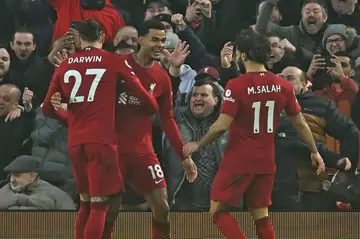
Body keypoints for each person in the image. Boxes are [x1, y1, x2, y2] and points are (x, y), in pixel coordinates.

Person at [183, 29, 326, 239]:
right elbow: (300, 122)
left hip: (238, 160)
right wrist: (315, 151)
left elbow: (221, 125)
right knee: (261, 216)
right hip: (266, 160)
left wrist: (198, 143)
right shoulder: (282, 85)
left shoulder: (236, 85)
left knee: (218, 211)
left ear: (242, 55)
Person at [42, 19, 158, 239]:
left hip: (76, 143)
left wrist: (66, 115)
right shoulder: (112, 61)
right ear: (103, 37)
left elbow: (48, 108)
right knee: (99, 206)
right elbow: (151, 104)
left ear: (78, 38)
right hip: (101, 142)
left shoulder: (65, 64)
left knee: (85, 204)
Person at [113, 19, 198, 239]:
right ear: (139, 40)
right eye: (155, 39)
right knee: (107, 210)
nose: (160, 44)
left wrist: (184, 155)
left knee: (162, 206)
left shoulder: (162, 77)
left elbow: (167, 119)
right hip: (112, 150)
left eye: (163, 40)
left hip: (143, 151)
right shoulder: (117, 65)